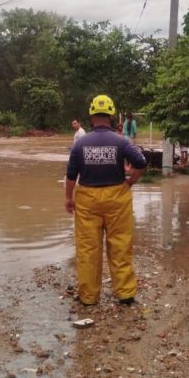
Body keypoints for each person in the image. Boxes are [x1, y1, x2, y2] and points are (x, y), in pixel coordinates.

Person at [65, 94, 147, 306]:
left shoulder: (80, 143)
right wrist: (131, 182)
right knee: (120, 245)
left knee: (88, 248)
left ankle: (89, 297)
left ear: (91, 116)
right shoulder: (121, 141)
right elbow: (140, 162)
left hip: (87, 200)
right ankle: (126, 294)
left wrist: (68, 199)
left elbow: (71, 176)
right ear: (111, 116)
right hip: (117, 198)